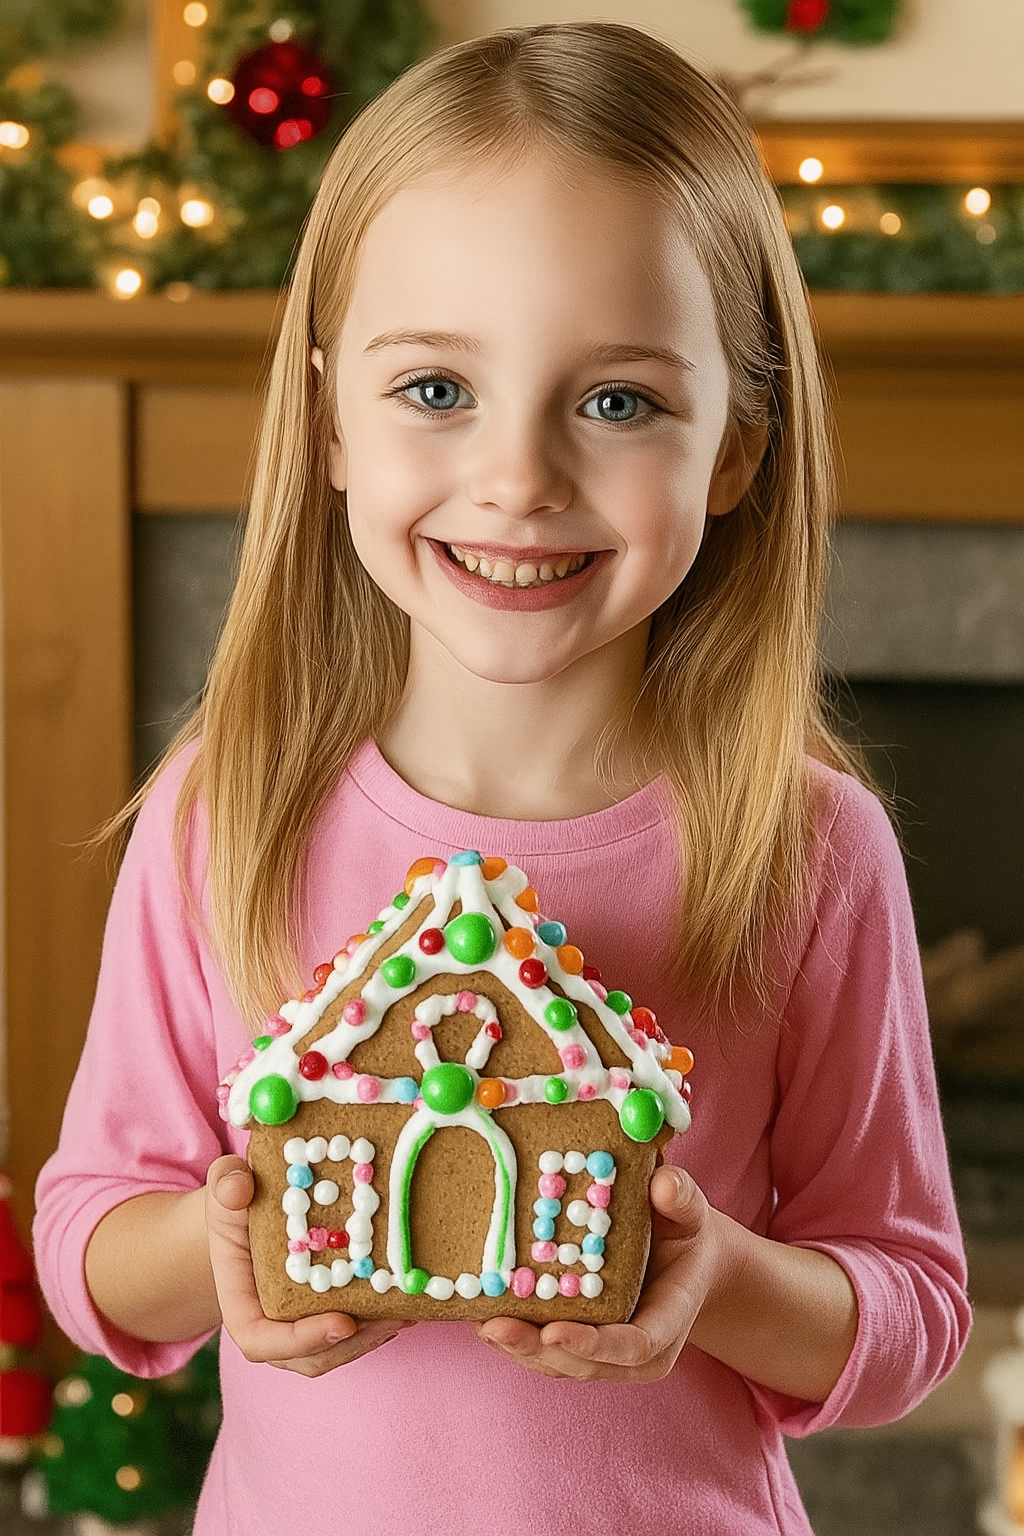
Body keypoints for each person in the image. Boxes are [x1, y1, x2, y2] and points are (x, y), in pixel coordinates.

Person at [34, 22, 969, 1535]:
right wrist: (229, 1241)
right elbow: (86, 1241)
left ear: (737, 448)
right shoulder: (228, 810)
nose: (520, 478)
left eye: (618, 402)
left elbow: (911, 1308)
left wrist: (715, 1275)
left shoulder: (806, 846)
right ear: (329, 420)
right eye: (434, 389)